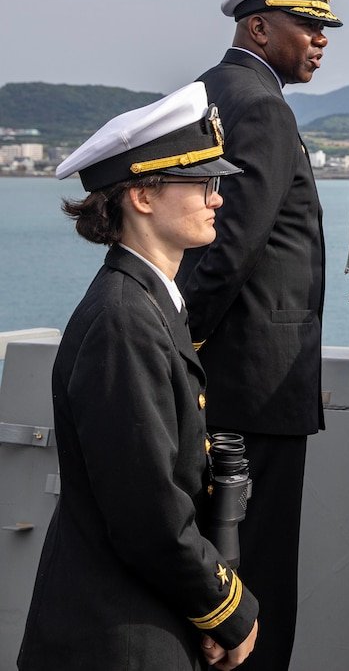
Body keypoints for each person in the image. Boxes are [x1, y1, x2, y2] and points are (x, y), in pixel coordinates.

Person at [20, 83, 260, 670]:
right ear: (144, 196)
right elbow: (148, 512)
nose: (217, 200)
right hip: (114, 636)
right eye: (203, 183)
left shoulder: (149, 303)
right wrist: (230, 614)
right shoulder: (124, 320)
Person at [176, 0, 340, 670]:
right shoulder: (263, 104)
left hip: (224, 384)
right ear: (258, 25)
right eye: (308, 24)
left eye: (325, 26)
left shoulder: (209, 91)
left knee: (212, 569)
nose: (322, 38)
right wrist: (189, 339)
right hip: (256, 391)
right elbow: (228, 244)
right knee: (258, 581)